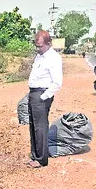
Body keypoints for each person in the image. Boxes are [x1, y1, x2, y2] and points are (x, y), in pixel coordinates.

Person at [26, 30, 63, 168]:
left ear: (48, 43)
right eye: (37, 46)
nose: (38, 49)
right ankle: (35, 155)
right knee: (33, 126)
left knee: (40, 127)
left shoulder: (53, 58)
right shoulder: (39, 56)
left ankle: (42, 159)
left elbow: (57, 83)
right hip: (34, 93)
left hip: (42, 94)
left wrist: (43, 97)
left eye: (40, 46)